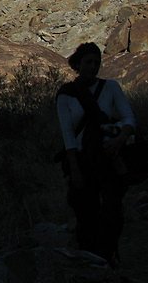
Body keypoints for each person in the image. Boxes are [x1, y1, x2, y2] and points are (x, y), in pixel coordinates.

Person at [56, 41, 137, 265]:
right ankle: (89, 256)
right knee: (85, 212)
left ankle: (107, 253)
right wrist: (74, 168)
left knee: (113, 210)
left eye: (97, 62)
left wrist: (120, 140)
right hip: (82, 160)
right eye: (88, 62)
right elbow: (67, 135)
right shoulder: (66, 95)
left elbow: (129, 118)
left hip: (108, 156)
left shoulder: (111, 88)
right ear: (78, 64)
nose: (93, 66)